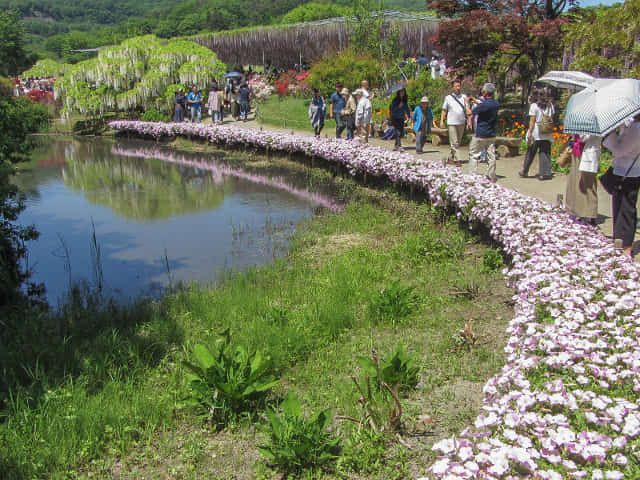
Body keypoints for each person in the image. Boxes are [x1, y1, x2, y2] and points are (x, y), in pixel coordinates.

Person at [602, 118, 640, 256]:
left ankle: (626, 246)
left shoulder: (636, 128)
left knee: (625, 210)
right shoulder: (632, 127)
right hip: (629, 171)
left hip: (627, 173)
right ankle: (619, 240)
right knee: (620, 208)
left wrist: (611, 133)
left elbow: (619, 150)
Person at [467, 83, 500, 182]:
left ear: (485, 92)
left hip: (481, 133)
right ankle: (491, 175)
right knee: (491, 155)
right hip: (491, 134)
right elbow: (484, 106)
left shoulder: (485, 105)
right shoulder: (496, 104)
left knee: (474, 154)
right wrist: (476, 101)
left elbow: (470, 112)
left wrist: (466, 104)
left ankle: (472, 176)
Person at [519, 89, 554, 180]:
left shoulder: (534, 106)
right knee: (545, 153)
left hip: (536, 132)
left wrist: (529, 133)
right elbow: (551, 119)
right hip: (546, 133)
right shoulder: (550, 106)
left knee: (530, 152)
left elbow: (532, 121)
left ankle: (525, 171)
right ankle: (544, 173)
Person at [565, 134, 600, 224]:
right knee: (576, 182)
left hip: (588, 155)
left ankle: (590, 215)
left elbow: (584, 137)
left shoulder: (594, 125)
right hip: (578, 152)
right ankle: (578, 211)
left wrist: (578, 134)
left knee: (588, 185)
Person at [440, 80, 469, 166]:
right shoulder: (448, 98)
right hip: (451, 122)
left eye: (459, 86)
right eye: (456, 86)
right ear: (452, 87)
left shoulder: (464, 97)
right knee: (455, 142)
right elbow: (444, 110)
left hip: (461, 122)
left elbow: (467, 109)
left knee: (457, 142)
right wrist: (442, 120)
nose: (458, 88)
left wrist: (469, 121)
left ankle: (451, 158)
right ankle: (458, 159)